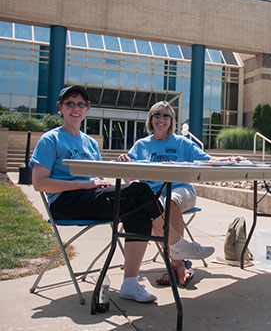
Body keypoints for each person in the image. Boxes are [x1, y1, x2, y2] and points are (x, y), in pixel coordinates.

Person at [31, 85, 214, 303]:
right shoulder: (50, 139)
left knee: (138, 208)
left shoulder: (89, 142)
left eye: (81, 104)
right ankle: (177, 245)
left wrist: (105, 178)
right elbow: (39, 183)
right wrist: (84, 185)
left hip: (90, 197)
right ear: (60, 108)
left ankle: (130, 284)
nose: (76, 108)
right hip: (66, 202)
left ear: (87, 109)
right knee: (141, 191)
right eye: (70, 103)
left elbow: (98, 176)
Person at [118, 100, 245, 286]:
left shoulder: (181, 143)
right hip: (153, 195)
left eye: (166, 116)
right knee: (150, 209)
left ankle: (175, 263)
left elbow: (207, 159)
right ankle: (178, 264)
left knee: (170, 201)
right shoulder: (141, 145)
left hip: (181, 190)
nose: (161, 119)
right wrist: (124, 161)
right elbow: (126, 173)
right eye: (157, 115)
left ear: (172, 121)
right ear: (150, 119)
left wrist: (230, 158)